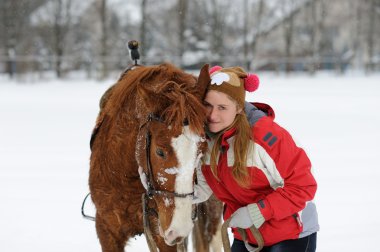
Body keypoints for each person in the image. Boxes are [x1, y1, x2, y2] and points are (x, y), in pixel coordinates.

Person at [193, 65, 319, 252]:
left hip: (291, 233)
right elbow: (200, 190)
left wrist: (257, 212)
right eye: (208, 105)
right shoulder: (206, 141)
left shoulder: (266, 137)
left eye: (222, 107)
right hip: (246, 234)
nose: (212, 115)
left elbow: (304, 186)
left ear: (238, 107)